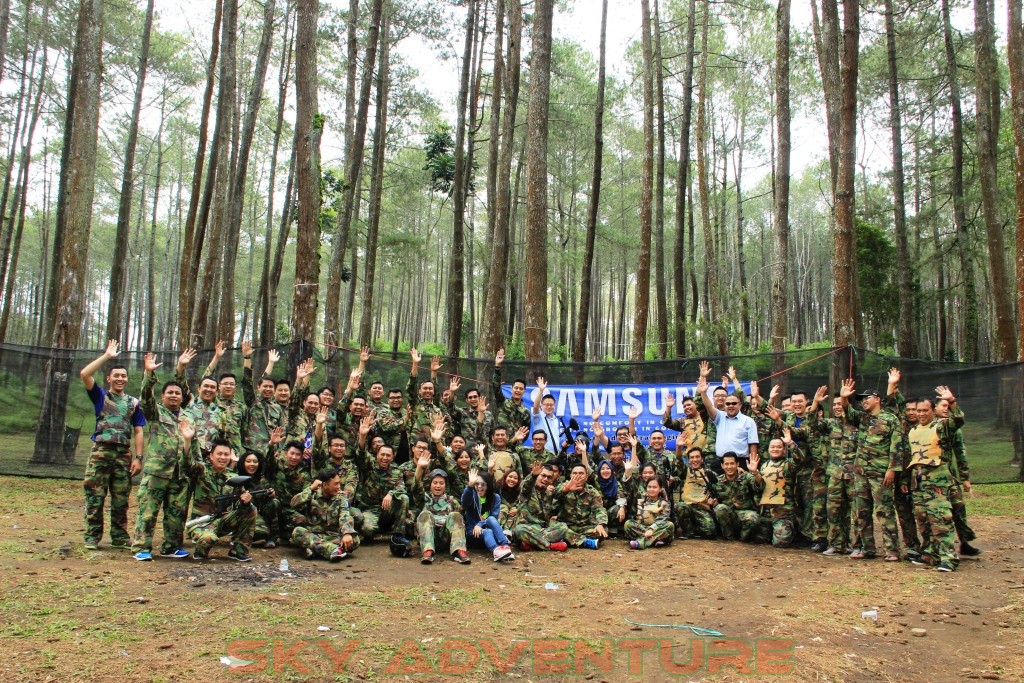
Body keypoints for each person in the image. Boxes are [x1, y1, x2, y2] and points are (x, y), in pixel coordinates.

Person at [80, 339, 146, 550]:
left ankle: (119, 536)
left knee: (120, 497)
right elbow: (84, 374)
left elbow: (138, 430)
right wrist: (107, 356)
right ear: (109, 378)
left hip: (123, 455)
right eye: (116, 375)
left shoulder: (133, 403)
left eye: (123, 376)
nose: (120, 378)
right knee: (95, 496)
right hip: (101, 452)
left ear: (127, 379)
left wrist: (138, 458)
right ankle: (92, 536)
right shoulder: (101, 396)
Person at [131, 352, 191, 561]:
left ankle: (172, 546)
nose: (174, 396)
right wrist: (148, 374)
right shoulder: (155, 412)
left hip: (179, 472)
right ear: (163, 396)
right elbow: (145, 398)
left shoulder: (187, 417)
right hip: (157, 471)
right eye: (170, 393)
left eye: (177, 393)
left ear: (182, 397)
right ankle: (141, 547)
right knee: (148, 511)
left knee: (176, 512)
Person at [841, 380, 905, 562]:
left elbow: (896, 446)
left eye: (866, 398)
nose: (863, 402)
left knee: (884, 511)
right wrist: (845, 398)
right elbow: (847, 412)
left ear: (877, 399)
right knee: (861, 511)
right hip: (860, 473)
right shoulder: (863, 418)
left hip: (881, 473)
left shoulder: (890, 419)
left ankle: (892, 550)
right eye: (860, 400)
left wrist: (892, 469)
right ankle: (865, 547)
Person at [904, 389, 964, 572]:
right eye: (918, 410)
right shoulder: (913, 430)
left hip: (937, 481)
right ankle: (931, 553)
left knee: (940, 518)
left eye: (925, 410)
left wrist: (952, 401)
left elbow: (958, 420)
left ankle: (948, 557)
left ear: (932, 411)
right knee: (922, 518)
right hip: (919, 480)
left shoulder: (940, 426)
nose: (921, 414)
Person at [806, 386, 859, 555]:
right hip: (835, 474)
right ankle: (837, 543)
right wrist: (815, 402)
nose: (836, 407)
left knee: (856, 511)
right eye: (834, 404)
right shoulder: (830, 424)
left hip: (854, 474)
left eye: (839, 403)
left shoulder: (858, 423)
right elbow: (812, 424)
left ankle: (858, 545)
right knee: (833, 510)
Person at [184, 437, 257, 561]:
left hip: (223, 521)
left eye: (226, 454)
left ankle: (238, 550)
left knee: (250, 509)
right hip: (202, 522)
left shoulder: (233, 477)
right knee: (209, 539)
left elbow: (240, 503)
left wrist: (246, 501)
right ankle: (200, 550)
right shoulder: (202, 471)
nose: (223, 457)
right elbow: (187, 463)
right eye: (219, 454)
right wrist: (187, 440)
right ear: (211, 456)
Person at [353, 415, 410, 540]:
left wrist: (391, 494)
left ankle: (398, 535)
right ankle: (375, 527)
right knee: (368, 531)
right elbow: (362, 454)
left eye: (388, 455)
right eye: (382, 455)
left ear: (392, 457)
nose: (385, 458)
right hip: (370, 509)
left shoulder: (396, 470)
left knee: (404, 498)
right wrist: (362, 436)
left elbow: (401, 488)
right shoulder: (369, 465)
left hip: (387, 510)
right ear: (377, 455)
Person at [290, 468, 359, 561]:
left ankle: (314, 549)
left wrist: (347, 533)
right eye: (335, 484)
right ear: (325, 485)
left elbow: (345, 515)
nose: (339, 487)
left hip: (332, 536)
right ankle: (333, 550)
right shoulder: (312, 494)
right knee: (297, 532)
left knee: (354, 539)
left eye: (339, 483)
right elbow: (293, 503)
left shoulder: (341, 497)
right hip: (314, 534)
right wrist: (310, 488)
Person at [412, 455, 471, 564]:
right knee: (425, 514)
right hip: (429, 536)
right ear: (430, 485)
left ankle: (459, 552)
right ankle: (428, 552)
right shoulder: (424, 498)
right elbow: (415, 487)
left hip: (446, 538)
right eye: (435, 483)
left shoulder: (451, 500)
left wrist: (471, 486)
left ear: (445, 485)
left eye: (441, 483)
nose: (438, 486)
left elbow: (464, 512)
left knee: (456, 515)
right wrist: (419, 467)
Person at [697, 375, 758, 475]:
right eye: (728, 403)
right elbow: (709, 406)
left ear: (740, 405)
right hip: (721, 462)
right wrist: (703, 393)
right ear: (724, 405)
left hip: (741, 462)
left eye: (734, 403)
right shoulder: (719, 417)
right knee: (721, 489)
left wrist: (753, 463)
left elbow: (753, 444)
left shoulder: (748, 421)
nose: (730, 406)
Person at [757, 425, 805, 547]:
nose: (775, 449)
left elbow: (800, 459)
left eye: (779, 447)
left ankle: (792, 530)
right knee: (758, 539)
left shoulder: (788, 464)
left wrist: (790, 443)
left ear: (784, 450)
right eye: (772, 447)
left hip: (783, 511)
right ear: (768, 449)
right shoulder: (763, 466)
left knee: (780, 542)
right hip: (766, 511)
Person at [239, 344, 285, 460]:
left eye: (271, 387)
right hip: (253, 450)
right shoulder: (253, 402)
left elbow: (281, 430)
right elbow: (247, 382)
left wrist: (280, 450)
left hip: (271, 452)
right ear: (258, 387)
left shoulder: (277, 408)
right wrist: (247, 358)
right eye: (265, 386)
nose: (268, 389)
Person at [461, 470, 515, 561]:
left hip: (488, 531)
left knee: (491, 519)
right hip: (474, 534)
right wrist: (470, 485)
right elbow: (464, 502)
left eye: (483, 484)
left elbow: (493, 517)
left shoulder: (495, 498)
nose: (479, 487)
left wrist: (480, 524)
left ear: (488, 485)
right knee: (488, 531)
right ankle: (495, 551)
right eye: (476, 484)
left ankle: (505, 547)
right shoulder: (472, 495)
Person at [552, 464, 607, 548]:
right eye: (574, 473)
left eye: (581, 473)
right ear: (570, 475)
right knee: (558, 528)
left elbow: (599, 509)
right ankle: (584, 542)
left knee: (601, 531)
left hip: (584, 527)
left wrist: (600, 524)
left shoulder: (592, 492)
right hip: (565, 525)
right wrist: (567, 489)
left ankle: (568, 539)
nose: (577, 476)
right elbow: (554, 494)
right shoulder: (564, 486)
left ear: (586, 476)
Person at [712, 451, 764, 542]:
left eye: (732, 463)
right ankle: (728, 537)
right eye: (726, 464)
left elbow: (759, 485)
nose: (729, 467)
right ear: (722, 466)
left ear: (737, 464)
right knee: (719, 508)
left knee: (754, 518)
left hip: (744, 514)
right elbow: (712, 498)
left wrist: (755, 472)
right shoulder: (717, 481)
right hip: (728, 515)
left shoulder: (745, 476)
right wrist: (713, 502)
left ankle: (742, 538)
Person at [235, 450, 280, 548]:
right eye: (248, 461)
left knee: (275, 502)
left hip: (259, 514)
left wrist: (270, 495)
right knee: (260, 532)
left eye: (255, 462)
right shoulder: (236, 478)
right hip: (243, 515)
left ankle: (272, 538)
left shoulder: (262, 480)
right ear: (243, 463)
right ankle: (239, 537)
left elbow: (264, 503)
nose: (252, 464)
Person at [675, 447, 719, 539]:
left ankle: (695, 527)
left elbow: (718, 488)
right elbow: (679, 461)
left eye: (697, 457)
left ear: (702, 459)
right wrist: (678, 447)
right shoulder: (684, 471)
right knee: (680, 506)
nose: (695, 460)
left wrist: (714, 500)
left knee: (710, 531)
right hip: (687, 507)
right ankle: (688, 532)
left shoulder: (709, 473)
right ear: (689, 460)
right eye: (692, 457)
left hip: (702, 508)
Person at [624, 476, 674, 550]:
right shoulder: (641, 500)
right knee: (628, 524)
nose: (651, 489)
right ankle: (655, 540)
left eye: (654, 487)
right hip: (642, 528)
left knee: (670, 525)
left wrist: (652, 529)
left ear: (660, 489)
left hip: (657, 529)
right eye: (649, 487)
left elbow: (663, 518)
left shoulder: (664, 503)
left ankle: (640, 543)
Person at [491, 348, 531, 433]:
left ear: (524, 391)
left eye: (521, 389)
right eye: (516, 388)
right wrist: (497, 366)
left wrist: (518, 442)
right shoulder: (502, 402)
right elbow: (496, 386)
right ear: (511, 389)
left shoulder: (525, 412)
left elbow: (525, 431)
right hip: (500, 442)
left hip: (516, 444)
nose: (518, 390)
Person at [531, 377, 561, 454]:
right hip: (542, 455)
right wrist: (541, 390)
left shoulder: (555, 419)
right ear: (541, 405)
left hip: (555, 455)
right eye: (546, 405)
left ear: (554, 406)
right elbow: (535, 407)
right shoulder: (538, 416)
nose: (549, 407)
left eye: (551, 405)